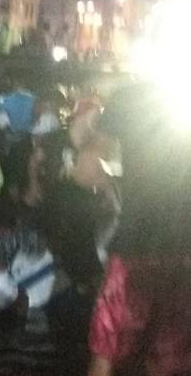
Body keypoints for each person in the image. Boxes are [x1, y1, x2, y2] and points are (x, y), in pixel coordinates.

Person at [87, 85, 191, 376]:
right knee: (171, 355)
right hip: (183, 255)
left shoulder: (130, 99)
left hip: (135, 253)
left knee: (107, 348)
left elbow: (86, 167)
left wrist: (112, 182)